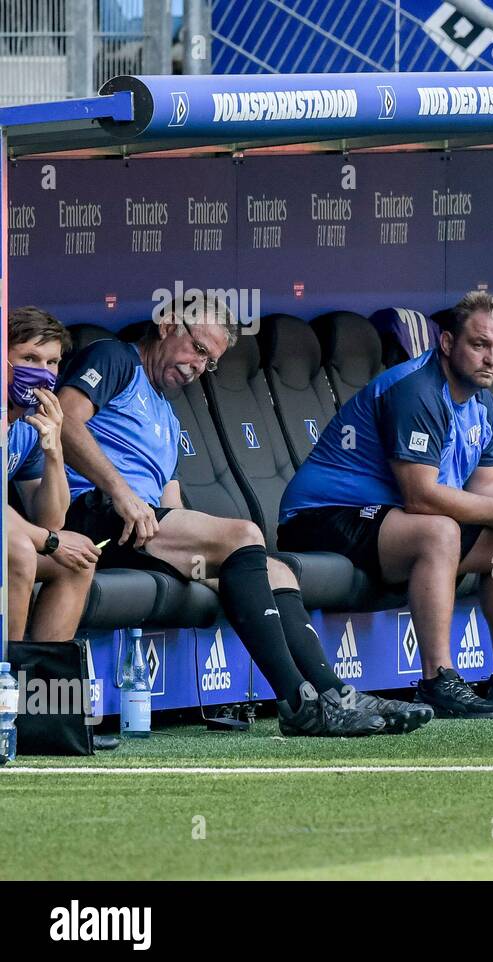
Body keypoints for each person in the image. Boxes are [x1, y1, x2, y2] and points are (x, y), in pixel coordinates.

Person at [55, 294, 415, 737]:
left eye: (209, 363)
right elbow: (64, 422)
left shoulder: (167, 416)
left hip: (145, 530)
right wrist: (121, 492)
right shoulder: (114, 358)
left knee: (277, 573)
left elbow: (175, 508)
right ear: (169, 324)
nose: (198, 367)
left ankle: (334, 692)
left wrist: (203, 553)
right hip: (92, 515)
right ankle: (297, 703)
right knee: (244, 532)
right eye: (198, 349)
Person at [280, 291, 493, 717]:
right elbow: (420, 496)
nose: (490, 359)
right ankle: (437, 679)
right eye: (479, 344)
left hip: (389, 522)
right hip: (322, 516)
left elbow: (487, 487)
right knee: (440, 530)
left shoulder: (483, 404)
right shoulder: (417, 390)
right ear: (447, 343)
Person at [5, 307, 99, 640]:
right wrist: (51, 542)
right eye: (29, 358)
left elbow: (50, 519)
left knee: (79, 559)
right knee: (17, 547)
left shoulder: (30, 424)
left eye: (52, 362)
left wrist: (54, 450)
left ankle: (43, 685)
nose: (43, 373)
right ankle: (8, 677)